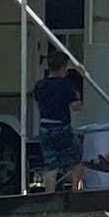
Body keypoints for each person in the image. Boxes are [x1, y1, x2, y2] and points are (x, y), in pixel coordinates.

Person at [31, 46, 91, 198]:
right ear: (64, 67)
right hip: (62, 127)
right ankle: (76, 194)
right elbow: (76, 106)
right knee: (76, 161)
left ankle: (49, 197)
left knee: (51, 165)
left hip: (44, 127)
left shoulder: (40, 85)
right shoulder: (66, 85)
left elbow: (38, 102)